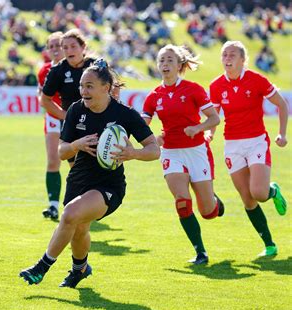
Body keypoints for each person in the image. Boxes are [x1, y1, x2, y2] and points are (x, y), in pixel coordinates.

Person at [20, 59, 160, 288]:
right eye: (82, 86)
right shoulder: (76, 110)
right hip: (79, 179)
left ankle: (41, 267)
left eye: (90, 86)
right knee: (79, 228)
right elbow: (62, 152)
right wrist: (77, 145)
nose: (84, 91)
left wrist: (132, 153)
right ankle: (80, 269)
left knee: (70, 214)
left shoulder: (125, 114)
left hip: (108, 184)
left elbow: (154, 150)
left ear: (106, 88)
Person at [142, 44, 225, 265]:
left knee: (208, 212)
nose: (165, 64)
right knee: (182, 202)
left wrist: (198, 129)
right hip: (171, 152)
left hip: (197, 150)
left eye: (169, 60)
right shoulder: (153, 96)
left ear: (180, 65)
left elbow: (214, 119)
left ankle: (215, 203)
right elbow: (142, 125)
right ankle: (201, 252)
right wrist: (152, 137)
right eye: (161, 60)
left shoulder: (194, 89)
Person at [209, 41, 288, 257]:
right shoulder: (216, 86)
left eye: (232, 54)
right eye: (224, 54)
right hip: (232, 146)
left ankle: (273, 191)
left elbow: (281, 104)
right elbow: (214, 116)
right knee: (247, 198)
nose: (227, 58)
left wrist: (282, 133)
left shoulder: (257, 80)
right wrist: (211, 133)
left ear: (243, 60)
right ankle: (270, 245)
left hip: (256, 141)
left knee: (260, 193)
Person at [40, 28, 97, 219]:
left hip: (96, 124)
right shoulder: (57, 71)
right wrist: (65, 116)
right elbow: (45, 99)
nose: (68, 50)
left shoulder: (96, 66)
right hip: (71, 128)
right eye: (65, 47)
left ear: (83, 47)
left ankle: (92, 204)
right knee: (74, 167)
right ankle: (72, 206)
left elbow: (114, 89)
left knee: (98, 165)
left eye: (73, 46)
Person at [37, 32, 64, 220]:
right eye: (51, 46)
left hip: (74, 117)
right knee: (53, 160)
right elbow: (42, 98)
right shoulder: (43, 71)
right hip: (54, 117)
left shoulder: (76, 69)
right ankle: (53, 205)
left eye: (58, 45)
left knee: (77, 162)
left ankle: (85, 201)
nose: (55, 49)